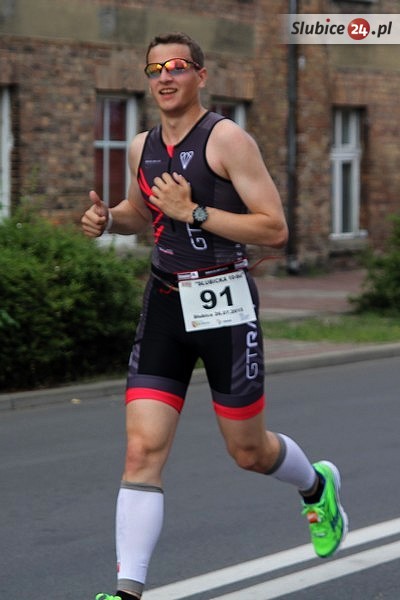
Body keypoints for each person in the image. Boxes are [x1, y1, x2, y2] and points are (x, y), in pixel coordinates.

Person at [81, 32, 348, 600]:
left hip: (225, 302)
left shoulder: (226, 139)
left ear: (200, 75)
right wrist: (109, 221)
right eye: (155, 69)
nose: (165, 77)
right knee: (141, 450)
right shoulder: (142, 146)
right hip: (164, 301)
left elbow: (274, 229)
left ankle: (316, 486)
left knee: (248, 452)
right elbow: (140, 211)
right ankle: (127, 592)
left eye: (177, 66)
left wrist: (195, 212)